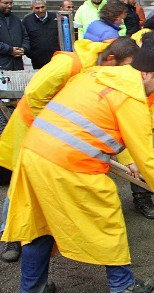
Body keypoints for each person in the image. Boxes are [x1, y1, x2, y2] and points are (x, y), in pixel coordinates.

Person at [1, 47, 154, 293]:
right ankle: (122, 286)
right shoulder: (130, 96)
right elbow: (146, 159)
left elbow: (102, 118)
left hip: (34, 155)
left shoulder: (97, 74)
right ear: (145, 74)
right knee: (107, 220)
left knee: (39, 225)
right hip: (69, 165)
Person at [0, 37, 139, 262]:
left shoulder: (102, 74)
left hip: (63, 135)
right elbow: (35, 95)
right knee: (21, 185)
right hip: (32, 128)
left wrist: (128, 158)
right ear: (111, 58)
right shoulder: (69, 64)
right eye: (125, 67)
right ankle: (10, 236)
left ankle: (53, 231)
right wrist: (56, 129)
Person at [119, 30, 154, 220]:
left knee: (146, 156)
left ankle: (143, 196)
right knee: (140, 158)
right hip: (122, 116)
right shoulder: (127, 63)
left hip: (140, 114)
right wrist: (129, 158)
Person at [22, 0, 58, 69]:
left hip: (56, 59)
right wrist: (31, 54)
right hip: (37, 61)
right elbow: (24, 38)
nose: (40, 10)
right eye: (37, 8)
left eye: (42, 7)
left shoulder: (56, 18)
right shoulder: (27, 21)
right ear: (32, 8)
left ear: (46, 6)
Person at [0, 0, 29, 71]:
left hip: (17, 65)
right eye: (5, 3)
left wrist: (23, 48)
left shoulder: (16, 19)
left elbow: (25, 37)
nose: (9, 6)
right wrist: (10, 50)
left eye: (11, 3)